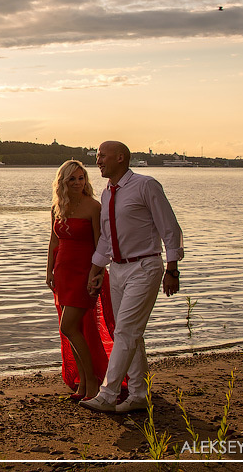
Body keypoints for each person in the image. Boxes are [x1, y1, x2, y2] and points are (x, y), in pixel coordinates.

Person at [80, 141, 184, 414]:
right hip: (118, 269)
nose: (98, 161)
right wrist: (96, 269)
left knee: (126, 331)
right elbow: (106, 238)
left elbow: (170, 227)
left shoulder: (146, 186)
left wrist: (172, 269)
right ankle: (138, 394)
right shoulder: (107, 193)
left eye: (102, 156)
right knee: (127, 332)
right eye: (98, 156)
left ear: (121, 158)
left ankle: (108, 394)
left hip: (145, 267)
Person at [45, 160, 115, 401]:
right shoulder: (57, 207)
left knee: (70, 327)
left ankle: (94, 383)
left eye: (81, 178)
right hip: (63, 272)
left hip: (85, 271)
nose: (77, 183)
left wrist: (96, 273)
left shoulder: (94, 207)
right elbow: (54, 242)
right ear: (63, 182)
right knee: (76, 329)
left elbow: (100, 243)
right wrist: (49, 271)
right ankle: (83, 383)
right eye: (72, 179)